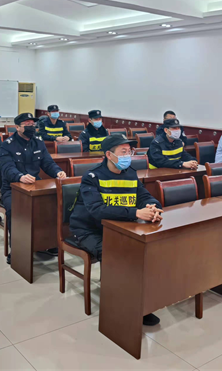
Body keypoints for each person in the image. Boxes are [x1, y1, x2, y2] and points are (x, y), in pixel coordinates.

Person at [68, 134, 164, 326]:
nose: (128, 155)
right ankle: (117, 305)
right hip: (89, 230)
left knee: (146, 250)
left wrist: (153, 206)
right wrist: (136, 212)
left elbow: (143, 196)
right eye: (123, 151)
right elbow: (97, 210)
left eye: (130, 151)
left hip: (120, 227)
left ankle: (139, 302)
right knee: (115, 254)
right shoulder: (92, 177)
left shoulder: (130, 173)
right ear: (109, 155)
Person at [0, 112, 67, 264]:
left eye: (32, 124)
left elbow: (47, 163)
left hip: (35, 186)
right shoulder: (7, 145)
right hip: (12, 189)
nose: (31, 127)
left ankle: (48, 243)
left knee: (52, 204)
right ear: (17, 127)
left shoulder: (38, 142)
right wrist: (20, 177)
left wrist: (58, 172)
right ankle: (16, 249)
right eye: (27, 124)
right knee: (15, 211)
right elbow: (7, 168)